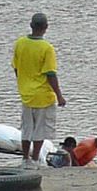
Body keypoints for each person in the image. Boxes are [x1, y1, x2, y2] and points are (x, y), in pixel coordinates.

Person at [12, 12, 66, 167]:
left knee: (27, 129)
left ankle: (25, 159)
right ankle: (35, 159)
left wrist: (23, 83)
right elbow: (50, 74)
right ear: (46, 28)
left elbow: (16, 68)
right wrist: (59, 96)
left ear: (31, 26)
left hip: (26, 94)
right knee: (40, 130)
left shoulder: (20, 43)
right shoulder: (46, 48)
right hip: (43, 96)